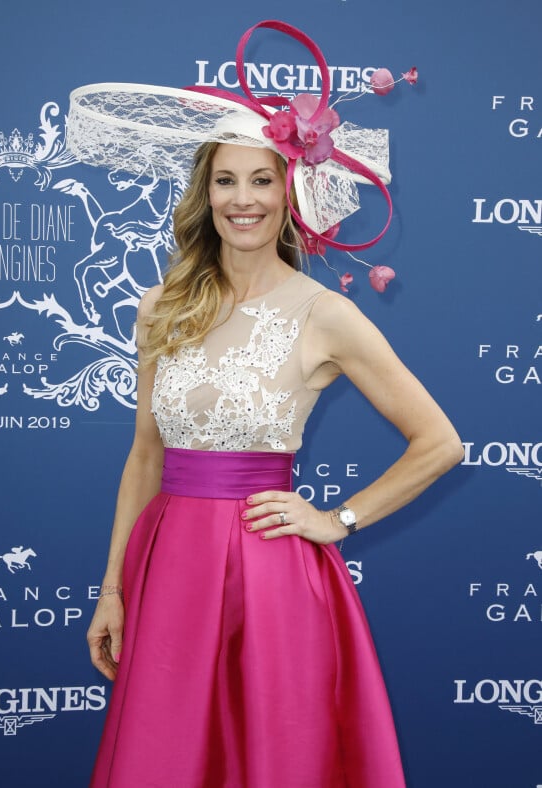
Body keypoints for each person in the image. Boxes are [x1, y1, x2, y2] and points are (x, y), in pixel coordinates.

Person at [69, 21, 463, 788]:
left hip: (270, 574)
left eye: (262, 179)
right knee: (166, 757)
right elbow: (146, 453)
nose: (242, 199)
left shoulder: (326, 314)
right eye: (226, 180)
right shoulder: (160, 306)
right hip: (168, 567)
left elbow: (440, 443)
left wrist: (335, 520)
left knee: (275, 757)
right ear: (204, 191)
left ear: (292, 191)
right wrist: (112, 588)